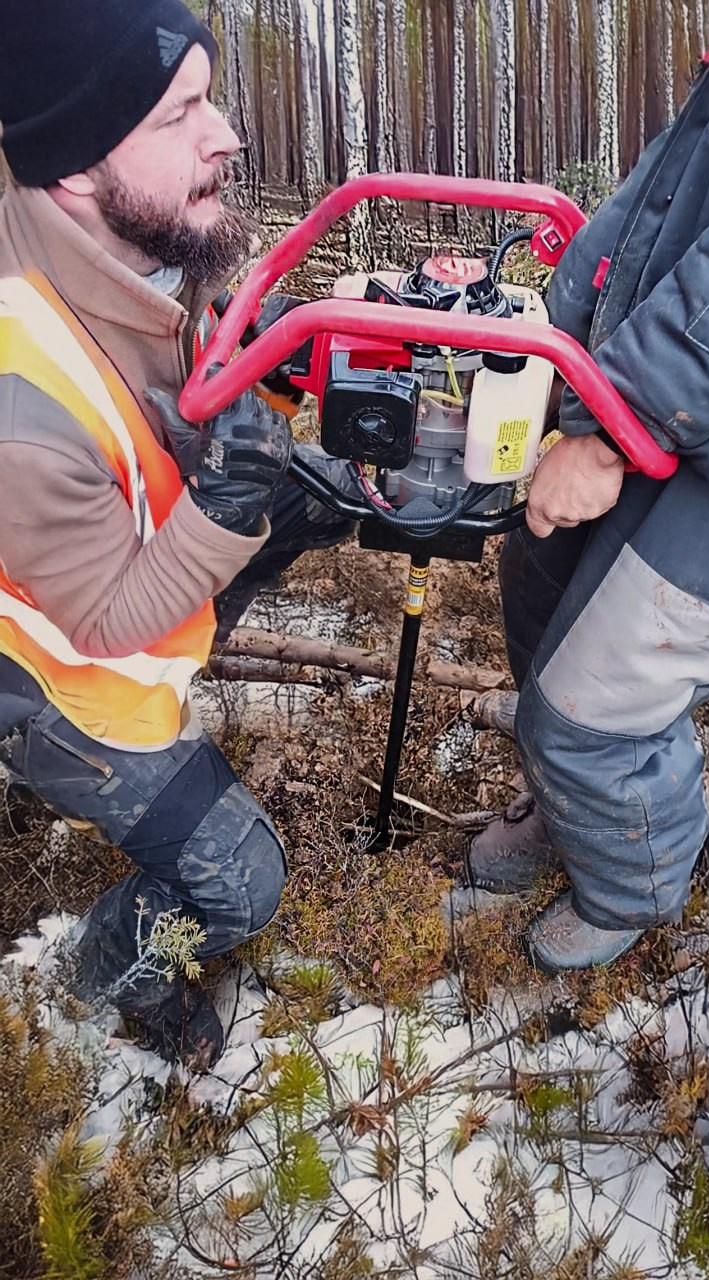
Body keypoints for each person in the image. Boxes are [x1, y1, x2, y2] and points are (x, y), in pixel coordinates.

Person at [0, 0, 354, 1066]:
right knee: (243, 881)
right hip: (54, 672)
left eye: (211, 95)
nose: (227, 134)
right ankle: (104, 977)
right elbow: (105, 619)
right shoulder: (18, 393)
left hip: (103, 555)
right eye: (178, 112)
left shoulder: (120, 240)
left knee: (318, 482)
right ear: (74, 165)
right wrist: (223, 505)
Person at [467, 0, 709, 972]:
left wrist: (615, 429)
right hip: (690, 424)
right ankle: (576, 793)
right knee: (536, 575)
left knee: (580, 709)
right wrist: (564, 312)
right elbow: (655, 207)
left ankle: (631, 881)